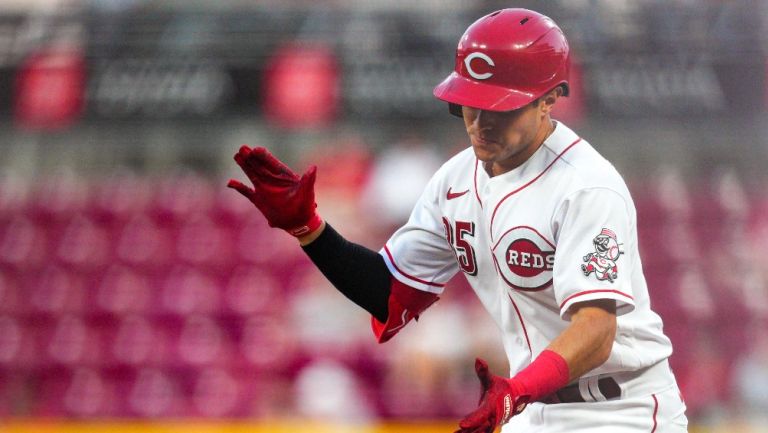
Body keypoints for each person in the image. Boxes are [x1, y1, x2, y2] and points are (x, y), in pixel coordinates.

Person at [228, 8, 688, 433]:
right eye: (470, 102)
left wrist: (516, 393)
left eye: (499, 106)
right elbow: (387, 294)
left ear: (549, 99)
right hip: (535, 408)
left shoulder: (586, 186)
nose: (480, 121)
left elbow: (596, 329)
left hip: (622, 409)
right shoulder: (454, 182)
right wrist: (309, 230)